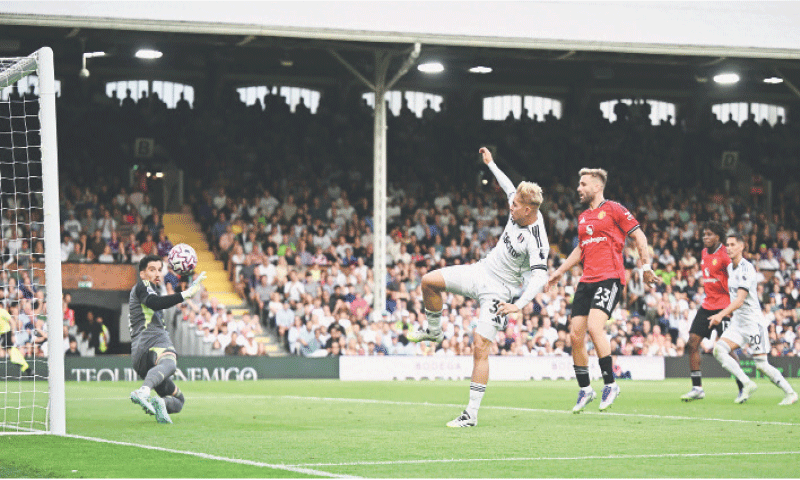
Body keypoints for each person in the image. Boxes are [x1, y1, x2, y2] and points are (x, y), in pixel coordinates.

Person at [409, 147, 550, 427]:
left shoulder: (537, 238)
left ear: (528, 209)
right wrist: (492, 164)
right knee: (429, 281)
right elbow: (508, 186)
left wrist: (519, 304)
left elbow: (540, 277)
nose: (510, 207)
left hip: (499, 292)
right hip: (480, 271)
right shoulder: (517, 204)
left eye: (515, 206)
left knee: (480, 346)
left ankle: (470, 415)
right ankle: (433, 331)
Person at [547, 167, 659, 413]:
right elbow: (581, 249)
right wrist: (559, 271)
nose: (579, 188)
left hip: (610, 278)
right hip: (586, 280)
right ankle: (586, 388)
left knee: (594, 327)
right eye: (579, 184)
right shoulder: (583, 217)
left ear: (597, 187)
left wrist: (646, 266)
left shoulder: (615, 209)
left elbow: (640, 237)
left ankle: (610, 383)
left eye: (584, 184)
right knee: (575, 335)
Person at [709, 233, 797, 405]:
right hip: (738, 322)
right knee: (719, 350)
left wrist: (720, 314)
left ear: (742, 246)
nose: (729, 247)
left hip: (753, 323)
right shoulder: (730, 269)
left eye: (733, 244)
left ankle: (790, 392)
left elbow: (740, 299)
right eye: (727, 244)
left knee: (761, 365)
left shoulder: (746, 268)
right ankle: (747, 383)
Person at [129, 254, 206, 424]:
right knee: (171, 361)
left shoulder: (151, 290)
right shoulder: (143, 285)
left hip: (142, 356)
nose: (157, 273)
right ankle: (143, 391)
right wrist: (184, 294)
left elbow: (158, 302)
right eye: (152, 270)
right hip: (151, 341)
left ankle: (160, 403)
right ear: (142, 274)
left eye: (159, 270)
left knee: (178, 401)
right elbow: (155, 302)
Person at [681, 222, 744, 401]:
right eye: (704, 234)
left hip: (724, 306)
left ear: (718, 236)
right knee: (692, 342)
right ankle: (697, 388)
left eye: (709, 234)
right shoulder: (703, 253)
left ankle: (743, 385)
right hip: (707, 305)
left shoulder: (725, 255)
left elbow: (737, 276)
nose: (705, 237)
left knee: (726, 349)